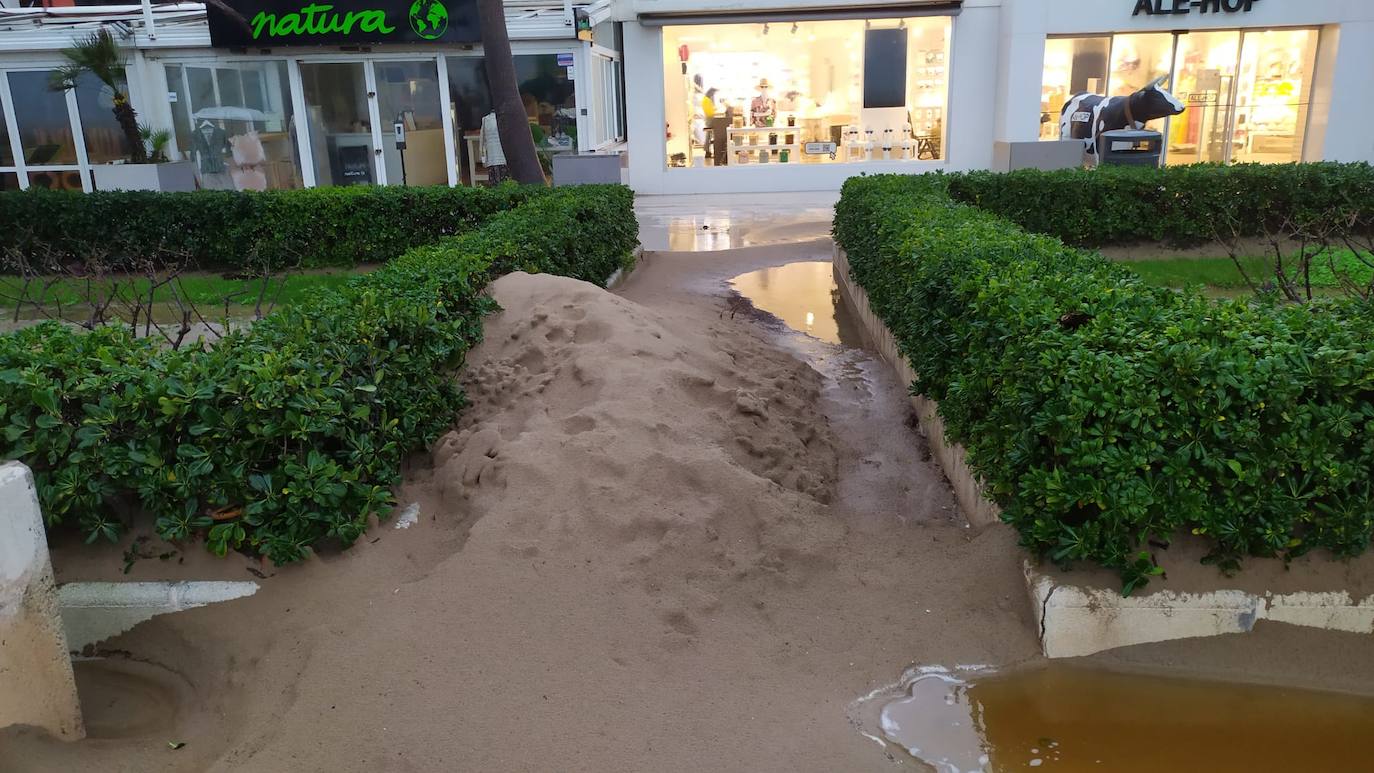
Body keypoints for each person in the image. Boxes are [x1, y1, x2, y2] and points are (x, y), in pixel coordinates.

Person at [479, 110, 508, 185]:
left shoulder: (485, 120)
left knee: (494, 183)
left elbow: (481, 141)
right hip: (503, 157)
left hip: (491, 158)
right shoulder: (503, 119)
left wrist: (483, 159)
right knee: (505, 183)